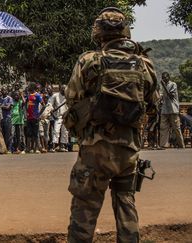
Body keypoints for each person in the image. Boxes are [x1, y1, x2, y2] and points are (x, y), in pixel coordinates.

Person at [64, 7, 158, 242]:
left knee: (85, 206)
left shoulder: (89, 60)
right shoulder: (144, 64)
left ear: (98, 33)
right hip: (128, 149)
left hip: (94, 148)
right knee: (126, 203)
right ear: (125, 32)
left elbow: (72, 97)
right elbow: (154, 104)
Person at [159, 72, 185, 148]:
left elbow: (170, 95)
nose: (164, 79)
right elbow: (163, 97)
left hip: (173, 109)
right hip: (165, 110)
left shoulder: (173, 84)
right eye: (163, 78)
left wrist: (163, 86)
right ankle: (163, 145)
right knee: (163, 127)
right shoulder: (163, 86)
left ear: (169, 77)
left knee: (176, 128)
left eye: (165, 77)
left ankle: (181, 145)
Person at [49, 85, 69, 152]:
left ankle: (62, 146)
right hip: (58, 117)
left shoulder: (68, 96)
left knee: (65, 132)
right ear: (60, 89)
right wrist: (51, 111)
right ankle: (53, 146)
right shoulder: (55, 95)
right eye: (62, 88)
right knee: (56, 131)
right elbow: (50, 103)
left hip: (66, 116)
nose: (64, 90)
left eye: (65, 89)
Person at [25, 82, 42, 153]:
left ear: (32, 87)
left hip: (35, 117)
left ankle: (36, 148)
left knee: (35, 134)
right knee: (29, 133)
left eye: (29, 87)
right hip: (29, 117)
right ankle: (28, 148)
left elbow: (43, 105)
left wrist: (39, 114)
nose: (28, 88)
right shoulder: (29, 95)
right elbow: (26, 103)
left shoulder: (37, 95)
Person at [0, 87, 14, 152]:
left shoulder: (9, 98)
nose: (3, 91)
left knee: (8, 134)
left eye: (4, 90)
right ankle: (4, 148)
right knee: (3, 133)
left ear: (7, 91)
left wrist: (1, 106)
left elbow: (8, 107)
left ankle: (9, 148)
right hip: (1, 118)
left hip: (8, 118)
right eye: (2, 90)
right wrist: (2, 106)